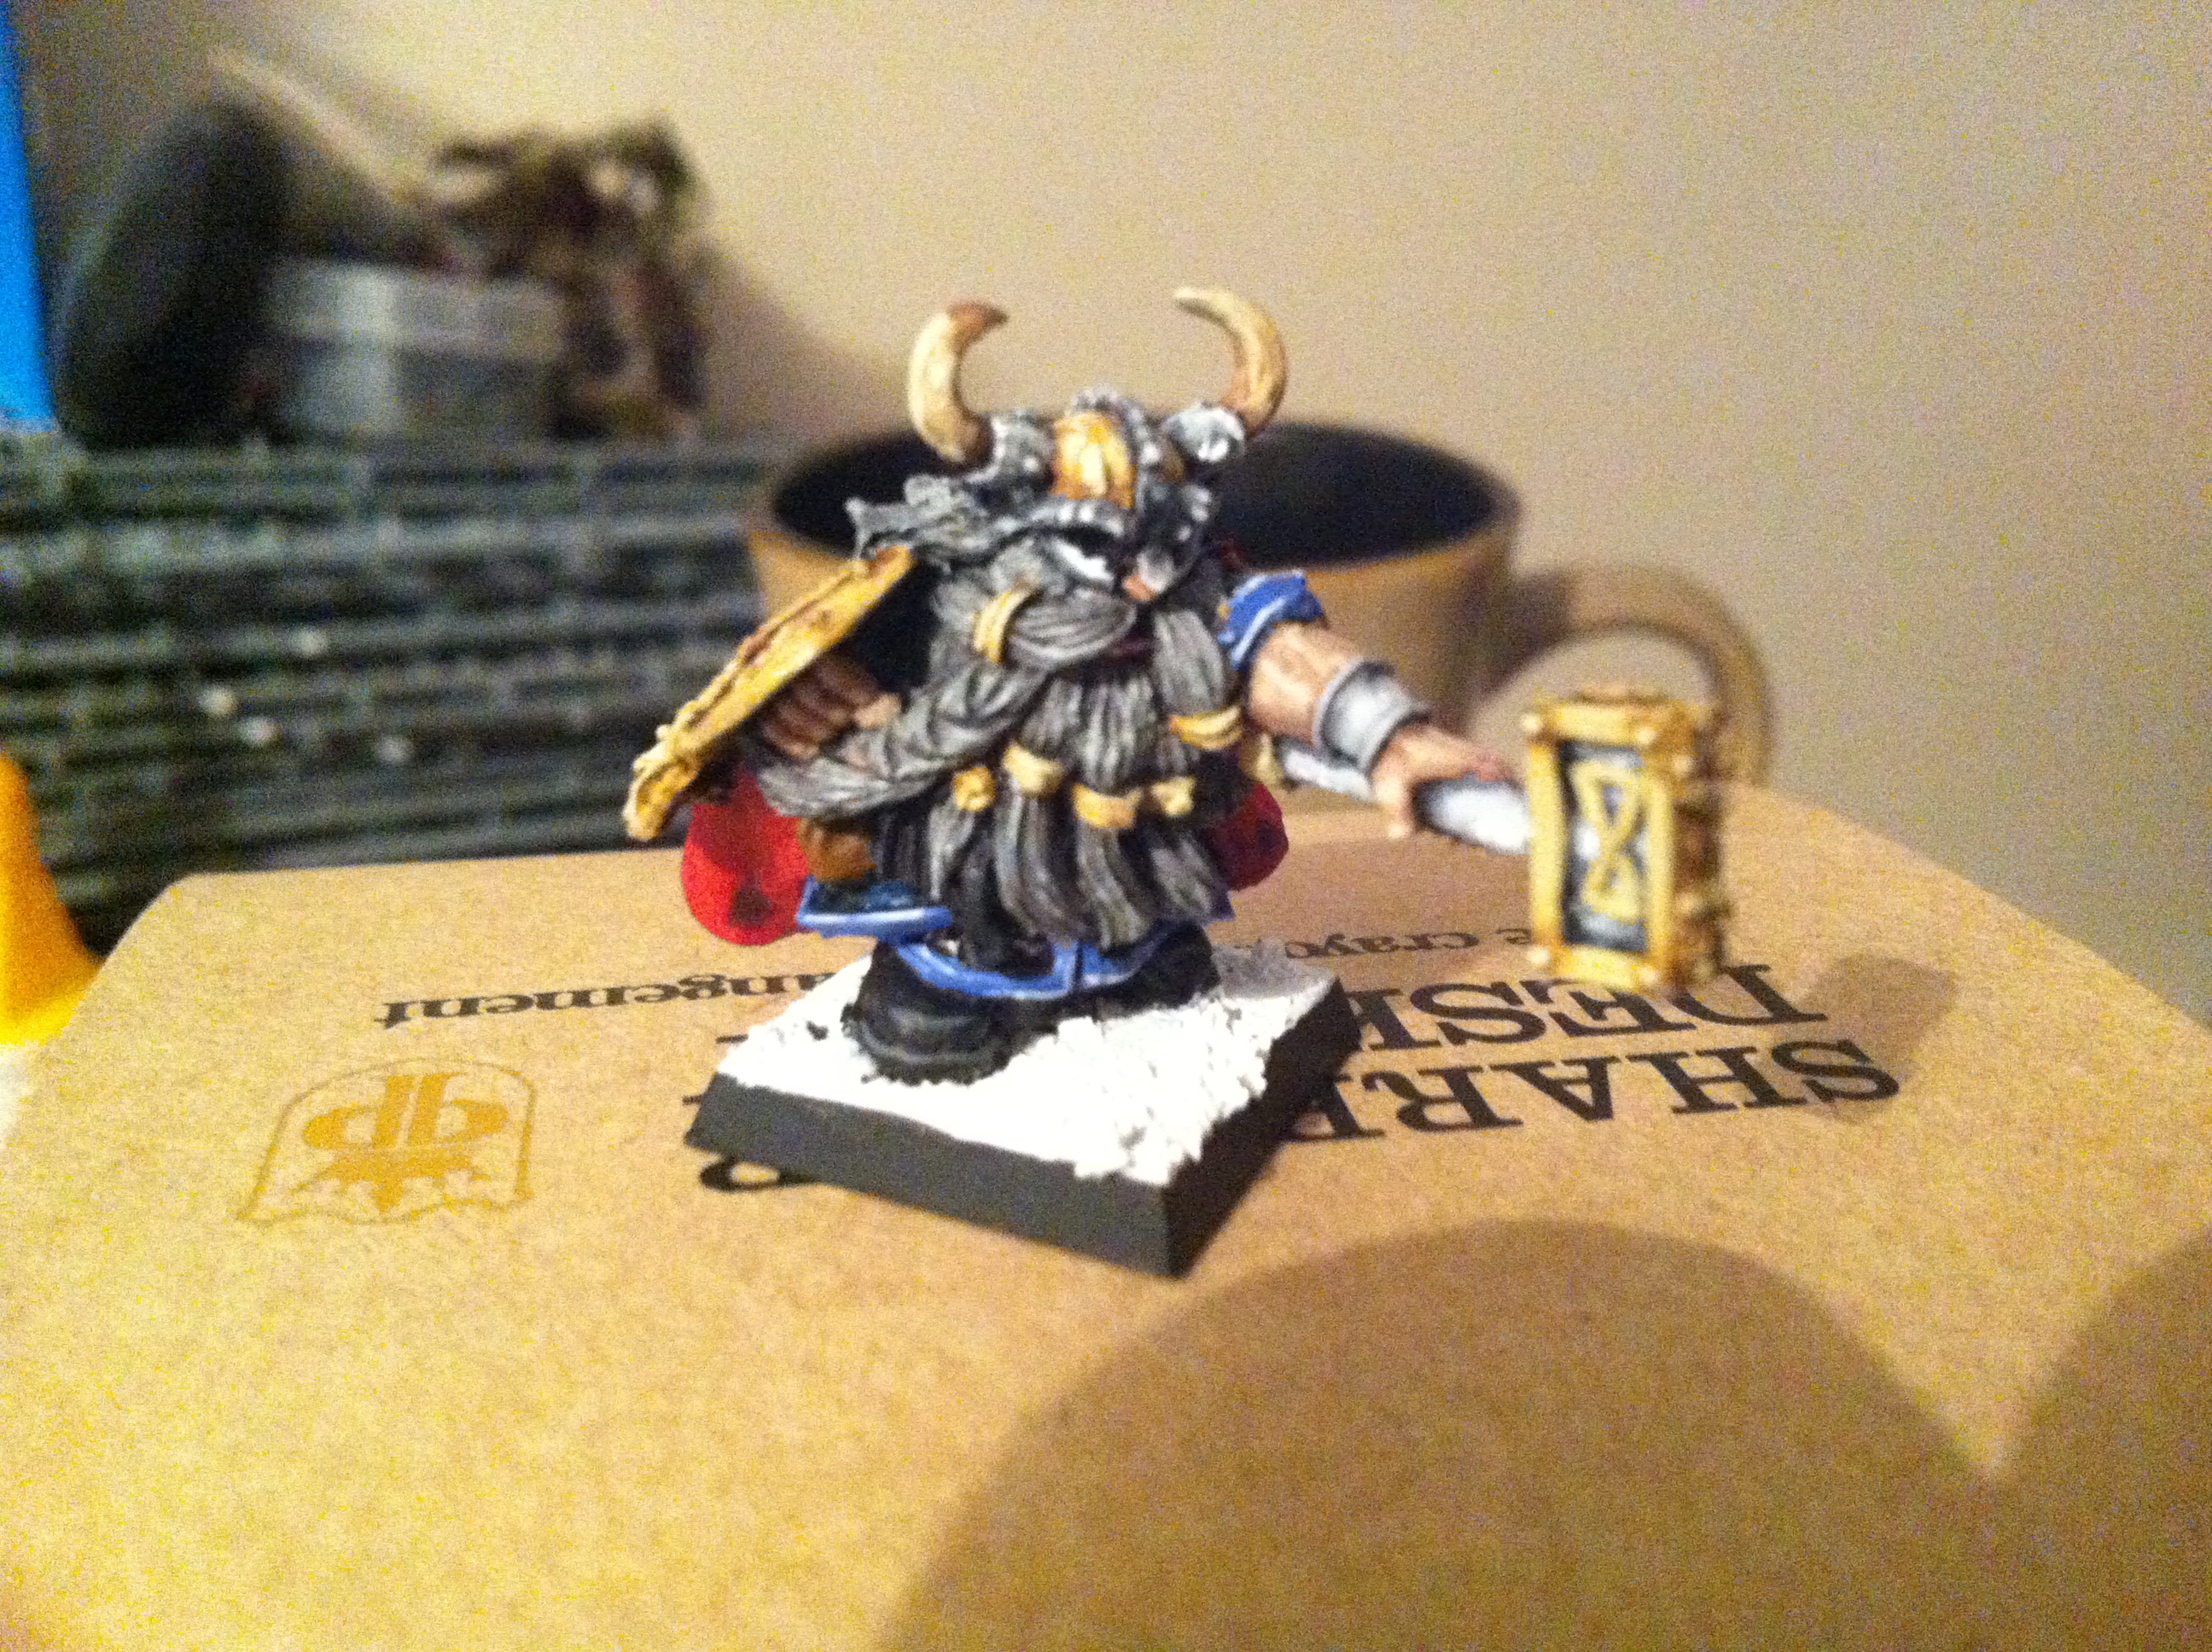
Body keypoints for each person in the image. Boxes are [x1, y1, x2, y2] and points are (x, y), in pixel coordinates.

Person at [628, 290, 1505, 1081]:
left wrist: (1391, 738)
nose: (1130, 582)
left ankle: (1122, 957)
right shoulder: (942, 609)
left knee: (1156, 955)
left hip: (1133, 863)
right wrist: (813, 698)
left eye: (1151, 547)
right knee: (934, 1005)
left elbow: (1277, 652)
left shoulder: (1186, 605)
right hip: (967, 877)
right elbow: (830, 684)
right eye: (1092, 547)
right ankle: (959, 985)